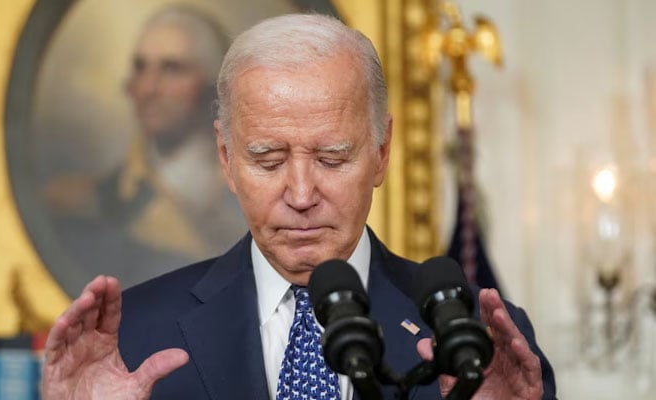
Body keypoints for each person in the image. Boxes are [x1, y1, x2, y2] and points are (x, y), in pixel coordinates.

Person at [41, 13, 557, 399]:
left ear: (381, 153)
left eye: (332, 158)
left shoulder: (479, 343)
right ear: (226, 158)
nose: (302, 195)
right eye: (267, 160)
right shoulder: (135, 335)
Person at [43, 4, 246, 291]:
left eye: (172, 69)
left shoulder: (253, 195)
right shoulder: (84, 204)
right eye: (141, 68)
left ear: (213, 87)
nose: (149, 88)